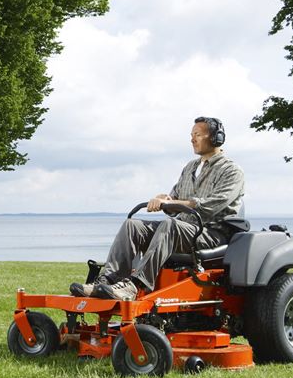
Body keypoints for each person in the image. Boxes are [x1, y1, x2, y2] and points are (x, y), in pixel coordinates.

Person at [70, 116, 246, 301]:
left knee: (170, 225)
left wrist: (171, 204)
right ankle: (107, 282)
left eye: (198, 135)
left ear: (216, 138)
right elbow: (174, 200)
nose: (192, 139)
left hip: (211, 234)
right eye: (191, 135)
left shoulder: (232, 171)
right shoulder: (190, 168)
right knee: (133, 226)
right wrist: (164, 199)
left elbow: (210, 206)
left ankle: (134, 286)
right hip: (183, 231)